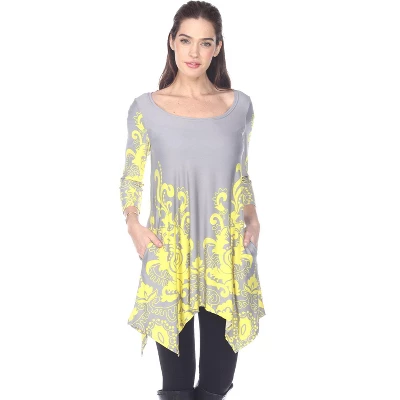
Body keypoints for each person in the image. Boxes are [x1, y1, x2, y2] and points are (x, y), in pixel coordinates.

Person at [119, 1, 266, 399]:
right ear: (172, 42)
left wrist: (253, 220)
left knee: (216, 384)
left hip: (226, 254)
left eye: (205, 42)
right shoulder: (146, 108)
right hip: (170, 255)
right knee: (178, 387)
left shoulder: (239, 106)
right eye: (186, 40)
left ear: (218, 47)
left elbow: (241, 175)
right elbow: (132, 175)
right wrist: (133, 224)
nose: (194, 52)